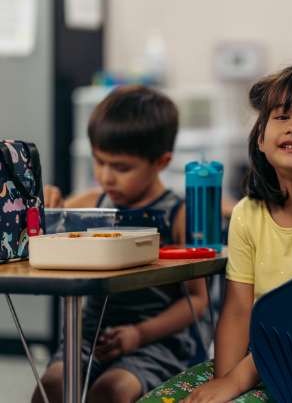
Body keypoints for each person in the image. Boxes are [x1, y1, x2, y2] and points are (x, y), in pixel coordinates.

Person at [138, 65, 292, 403]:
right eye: (281, 117)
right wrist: (224, 381)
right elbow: (238, 309)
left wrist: (236, 382)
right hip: (259, 367)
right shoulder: (248, 214)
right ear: (260, 138)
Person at [33, 85, 209, 403]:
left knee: (111, 392)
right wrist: (46, 211)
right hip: (89, 335)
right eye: (99, 162)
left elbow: (197, 302)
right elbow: (39, 238)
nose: (106, 177)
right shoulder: (90, 204)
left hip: (156, 339)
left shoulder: (179, 215)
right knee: (53, 388)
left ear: (161, 162)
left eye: (121, 167)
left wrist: (140, 334)